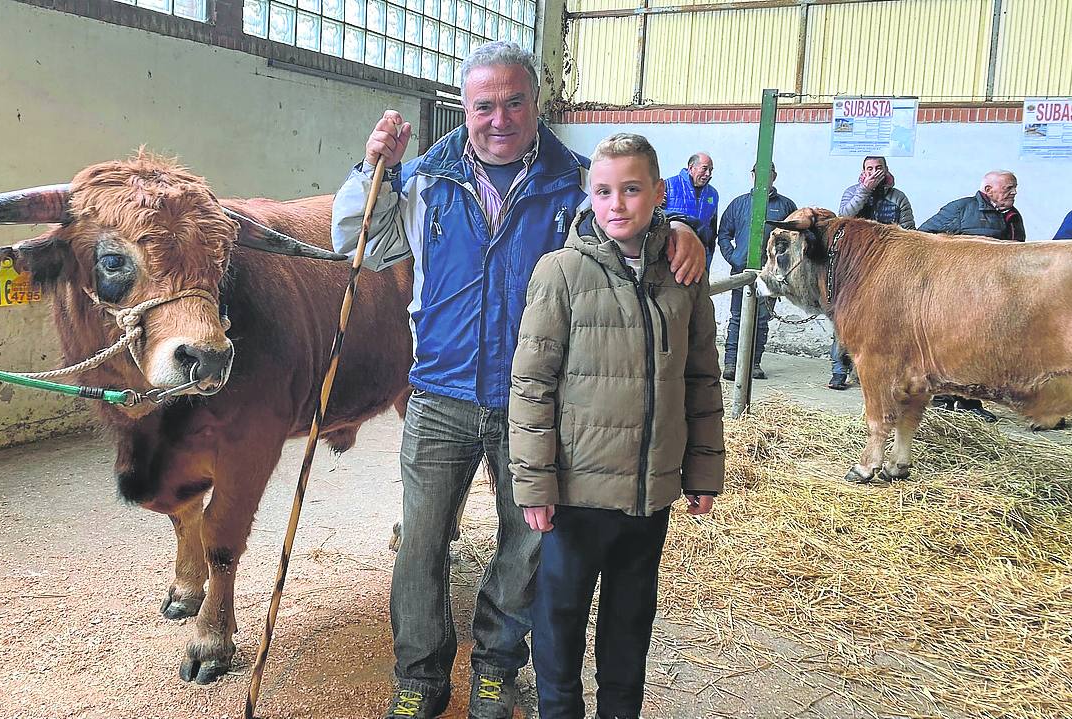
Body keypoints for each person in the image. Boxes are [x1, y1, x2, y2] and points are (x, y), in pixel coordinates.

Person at [331, 42, 706, 719]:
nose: (498, 118)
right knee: (420, 541)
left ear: (536, 104)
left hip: (538, 401)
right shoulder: (426, 176)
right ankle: (419, 673)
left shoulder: (573, 182)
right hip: (440, 391)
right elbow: (357, 241)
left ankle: (499, 665)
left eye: (513, 102)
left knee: (528, 541)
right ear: (464, 109)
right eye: (483, 106)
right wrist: (371, 168)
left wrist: (680, 230)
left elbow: (630, 225)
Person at [508, 132, 724, 719]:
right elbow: (531, 386)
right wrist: (534, 483)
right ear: (589, 196)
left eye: (631, 189)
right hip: (576, 498)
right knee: (560, 620)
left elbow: (701, 378)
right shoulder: (560, 273)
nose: (617, 205)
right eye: (603, 191)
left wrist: (702, 469)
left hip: (649, 496)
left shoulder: (684, 275)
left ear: (659, 193)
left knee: (631, 621)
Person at [919, 170, 1025, 422]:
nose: (1014, 192)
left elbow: (1019, 249)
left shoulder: (1013, 217)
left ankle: (969, 402)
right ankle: (943, 400)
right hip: (957, 292)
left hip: (992, 295)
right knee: (950, 346)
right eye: (1008, 188)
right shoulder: (961, 209)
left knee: (979, 349)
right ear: (988, 190)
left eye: (1014, 188)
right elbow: (922, 236)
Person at [828, 156, 916, 390]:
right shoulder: (852, 191)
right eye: (869, 169)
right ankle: (839, 370)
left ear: (886, 170)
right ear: (863, 171)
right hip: (853, 267)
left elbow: (909, 230)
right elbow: (843, 216)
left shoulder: (898, 198)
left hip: (886, 268)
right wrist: (864, 191)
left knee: (882, 321)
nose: (874, 172)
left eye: (878, 168)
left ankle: (876, 371)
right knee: (845, 318)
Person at [717, 162, 797, 381]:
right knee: (737, 317)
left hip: (770, 274)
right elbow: (724, 233)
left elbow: (795, 240)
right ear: (752, 175)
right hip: (741, 271)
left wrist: (783, 267)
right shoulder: (739, 204)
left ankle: (754, 363)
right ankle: (732, 363)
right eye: (759, 173)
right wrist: (733, 257)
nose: (764, 178)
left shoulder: (786, 206)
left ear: (775, 176)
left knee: (762, 320)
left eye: (768, 174)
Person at [664, 152, 719, 268]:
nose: (708, 174)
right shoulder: (668, 186)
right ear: (691, 168)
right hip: (672, 257)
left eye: (711, 170)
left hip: (699, 256)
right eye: (704, 169)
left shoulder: (713, 194)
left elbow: (712, 231)